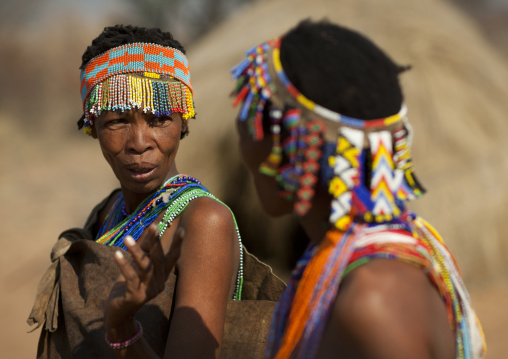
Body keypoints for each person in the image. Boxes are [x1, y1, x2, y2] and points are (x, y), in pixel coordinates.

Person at [231, 19, 486, 359]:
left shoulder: (374, 298)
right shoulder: (349, 264)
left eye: (249, 114)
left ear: (289, 141)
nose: (242, 140)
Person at [28, 25, 284, 359]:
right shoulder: (108, 211)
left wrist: (120, 328)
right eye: (118, 121)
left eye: (159, 119)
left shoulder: (203, 221)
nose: (139, 143)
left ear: (184, 121)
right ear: (92, 127)